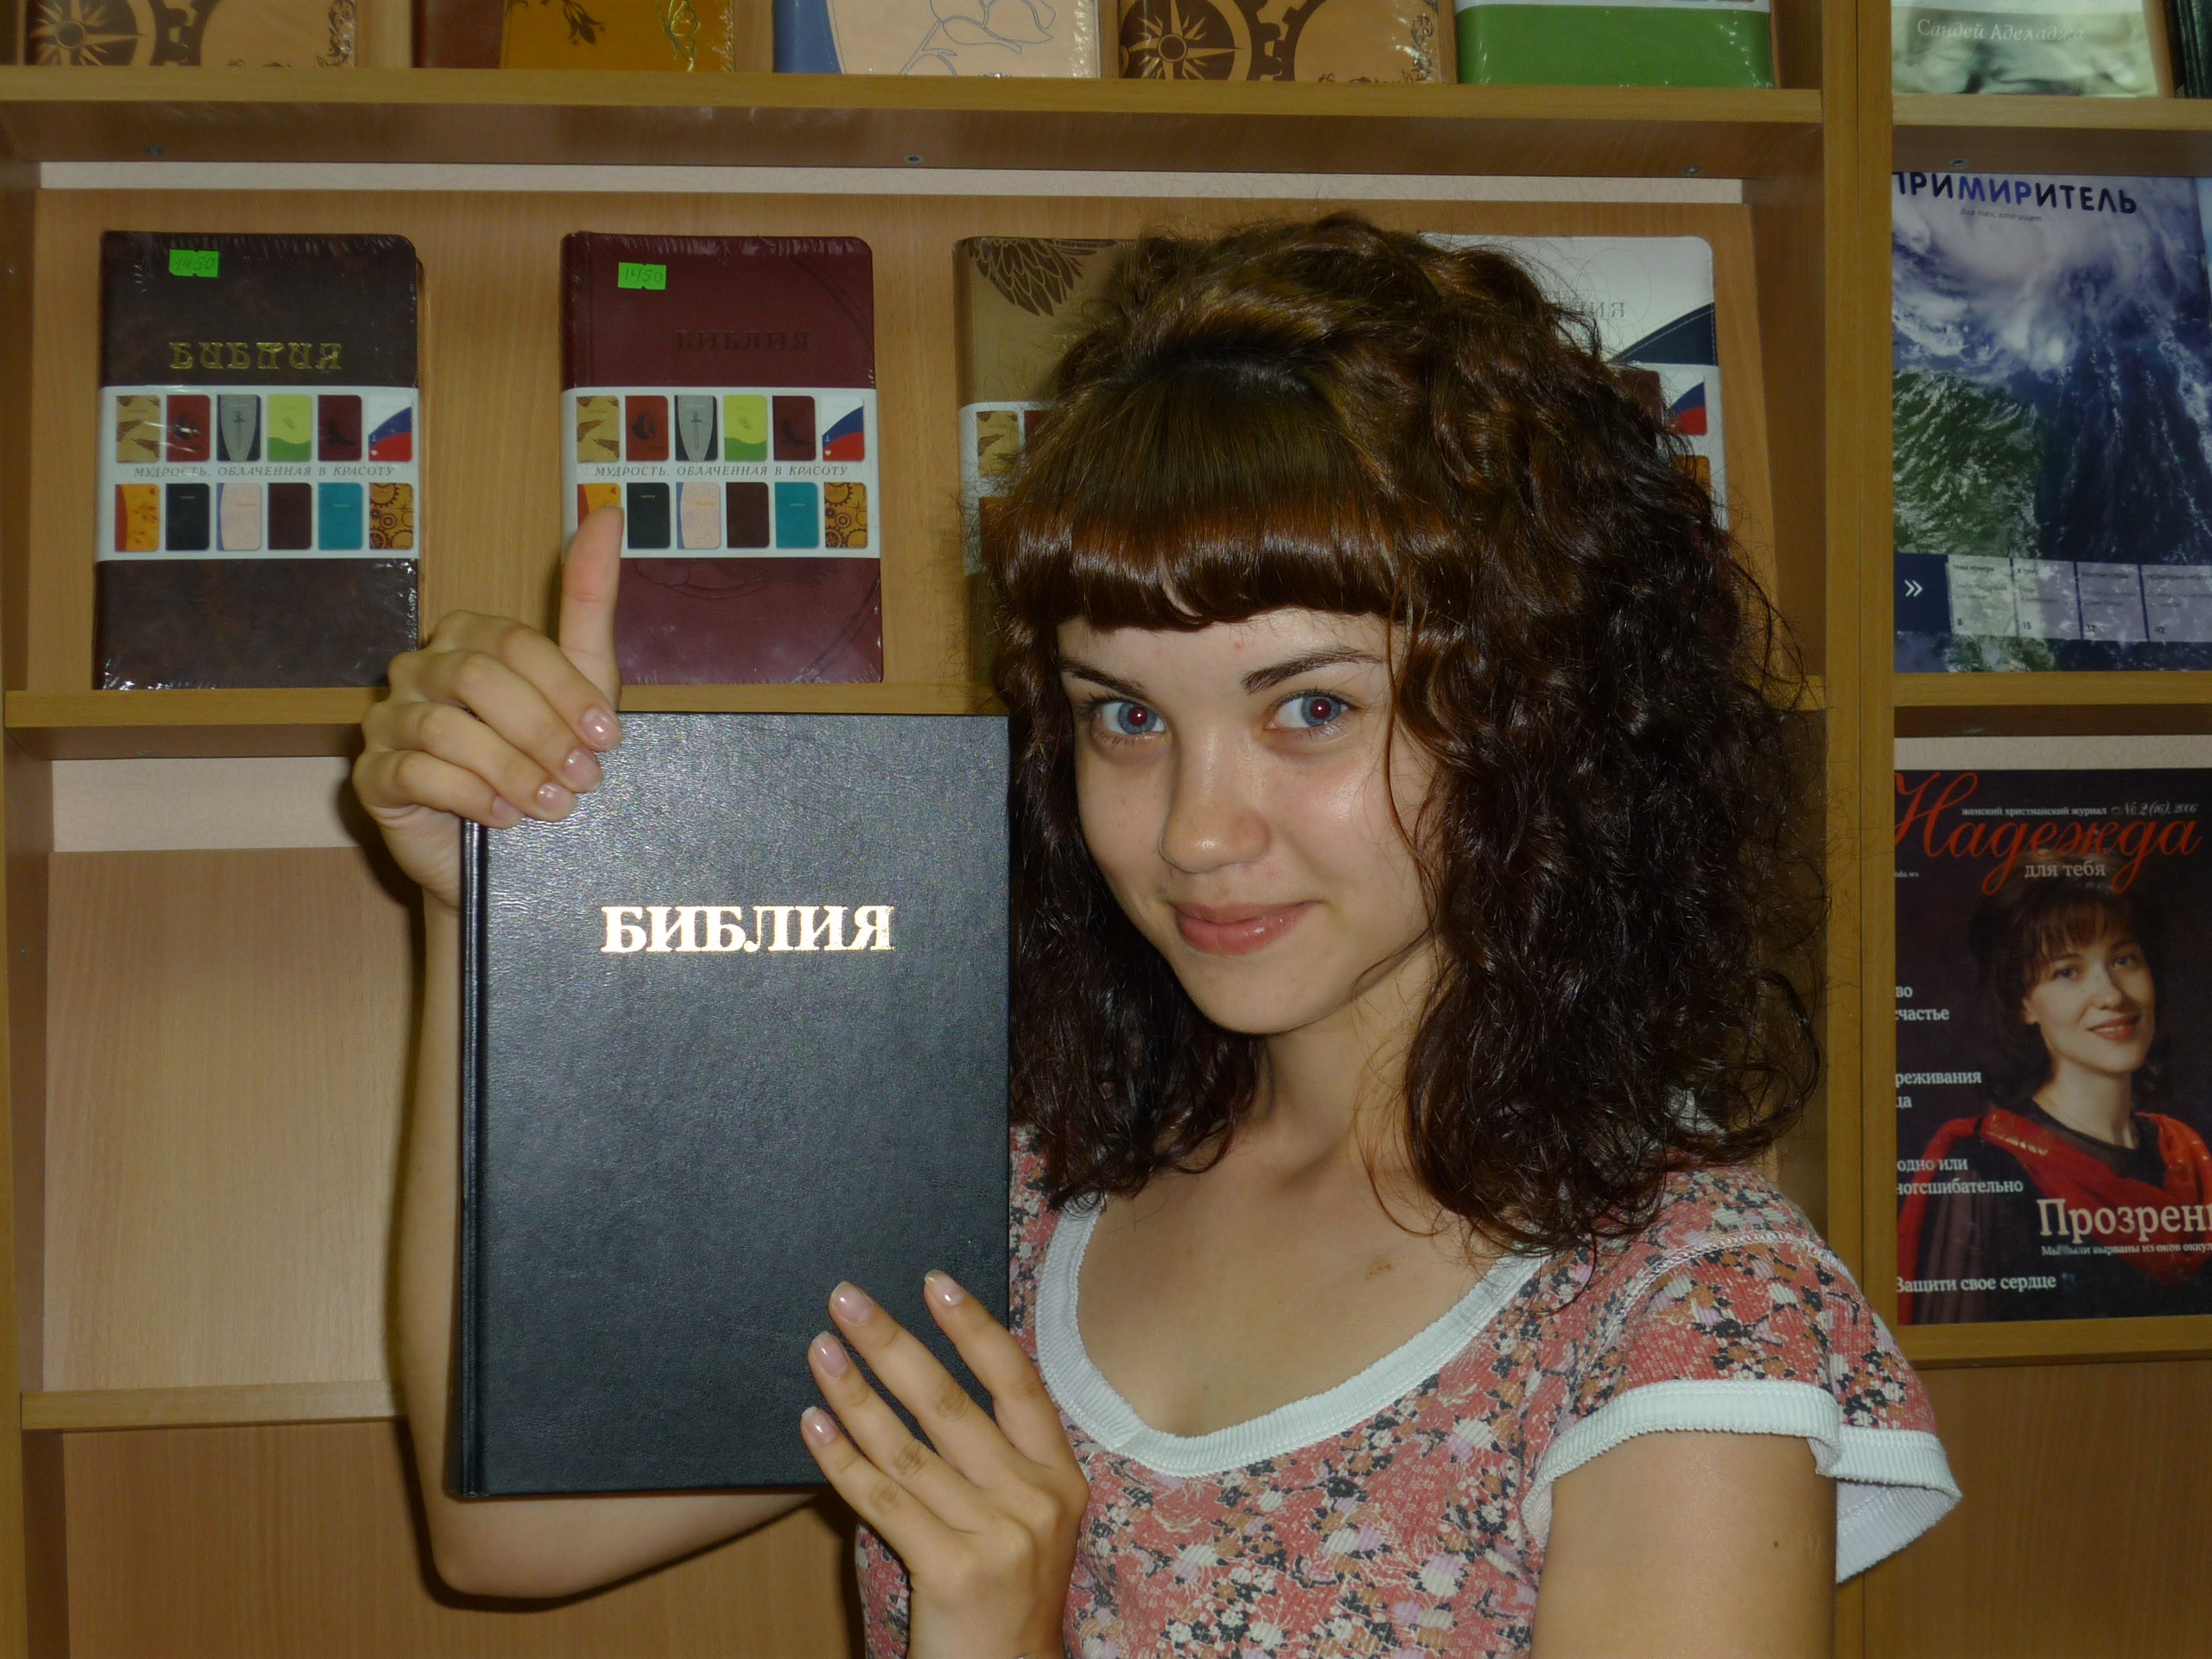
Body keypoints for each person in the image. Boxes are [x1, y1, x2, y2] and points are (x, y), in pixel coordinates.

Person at [352, 215, 1958, 1659]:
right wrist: (489, 910)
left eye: (1310, 709)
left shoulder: (1680, 1312)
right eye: (1124, 715)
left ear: (1537, 715)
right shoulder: (1014, 1201)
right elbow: (506, 1530)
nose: (1195, 828)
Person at [1900, 866, 2212, 1324]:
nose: (2111, 995)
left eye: (2124, 960)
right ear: (2022, 1003)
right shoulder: (1980, 1169)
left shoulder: (2189, 1155)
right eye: (2068, 971)